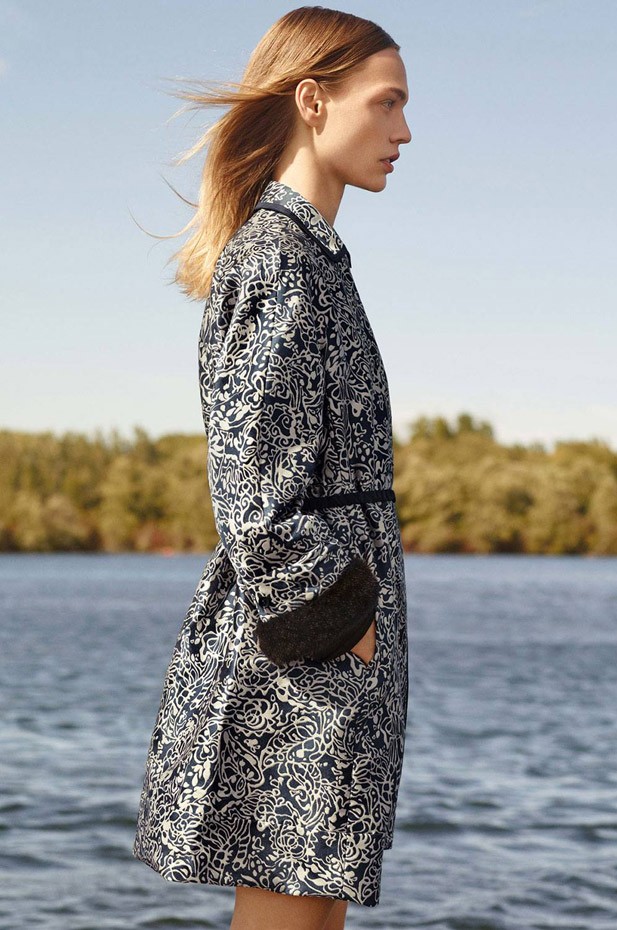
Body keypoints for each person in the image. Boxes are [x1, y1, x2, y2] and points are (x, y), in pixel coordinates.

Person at [132, 7, 412, 929]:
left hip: (329, 650)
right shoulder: (278, 260)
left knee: (317, 916)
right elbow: (255, 500)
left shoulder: (315, 259)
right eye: (387, 103)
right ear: (313, 100)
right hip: (304, 654)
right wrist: (350, 621)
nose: (404, 131)